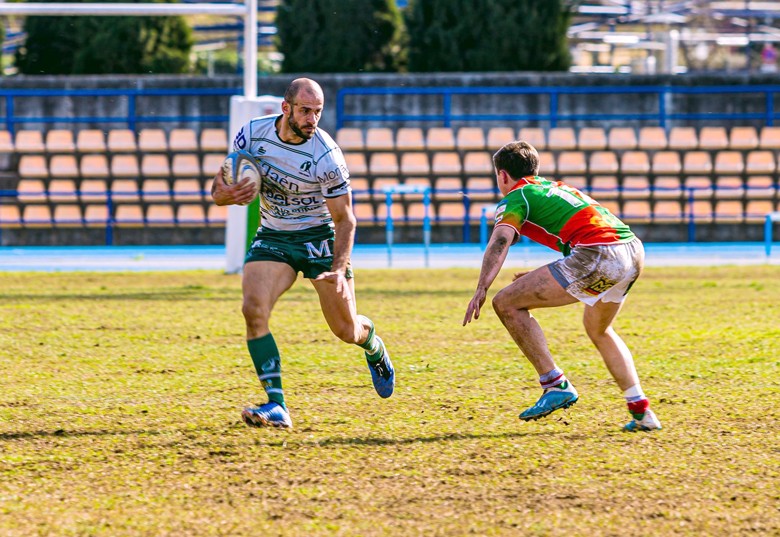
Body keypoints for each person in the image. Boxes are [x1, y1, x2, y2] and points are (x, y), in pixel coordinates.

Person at [211, 78, 394, 429]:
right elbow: (218, 188)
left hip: (320, 239)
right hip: (275, 236)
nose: (312, 119)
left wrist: (338, 270)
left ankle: (373, 345)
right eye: (305, 111)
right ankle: (276, 404)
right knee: (253, 309)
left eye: (318, 112)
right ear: (286, 108)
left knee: (346, 329)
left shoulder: (327, 155)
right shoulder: (251, 135)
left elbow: (346, 219)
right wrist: (226, 194)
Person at [462, 140, 661, 432]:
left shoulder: (516, 197)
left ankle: (555, 384)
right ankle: (642, 412)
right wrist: (545, 273)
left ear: (502, 175)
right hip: (631, 251)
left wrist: (482, 288)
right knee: (599, 330)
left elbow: (501, 240)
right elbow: (586, 229)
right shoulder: (554, 187)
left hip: (600, 255)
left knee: (505, 303)